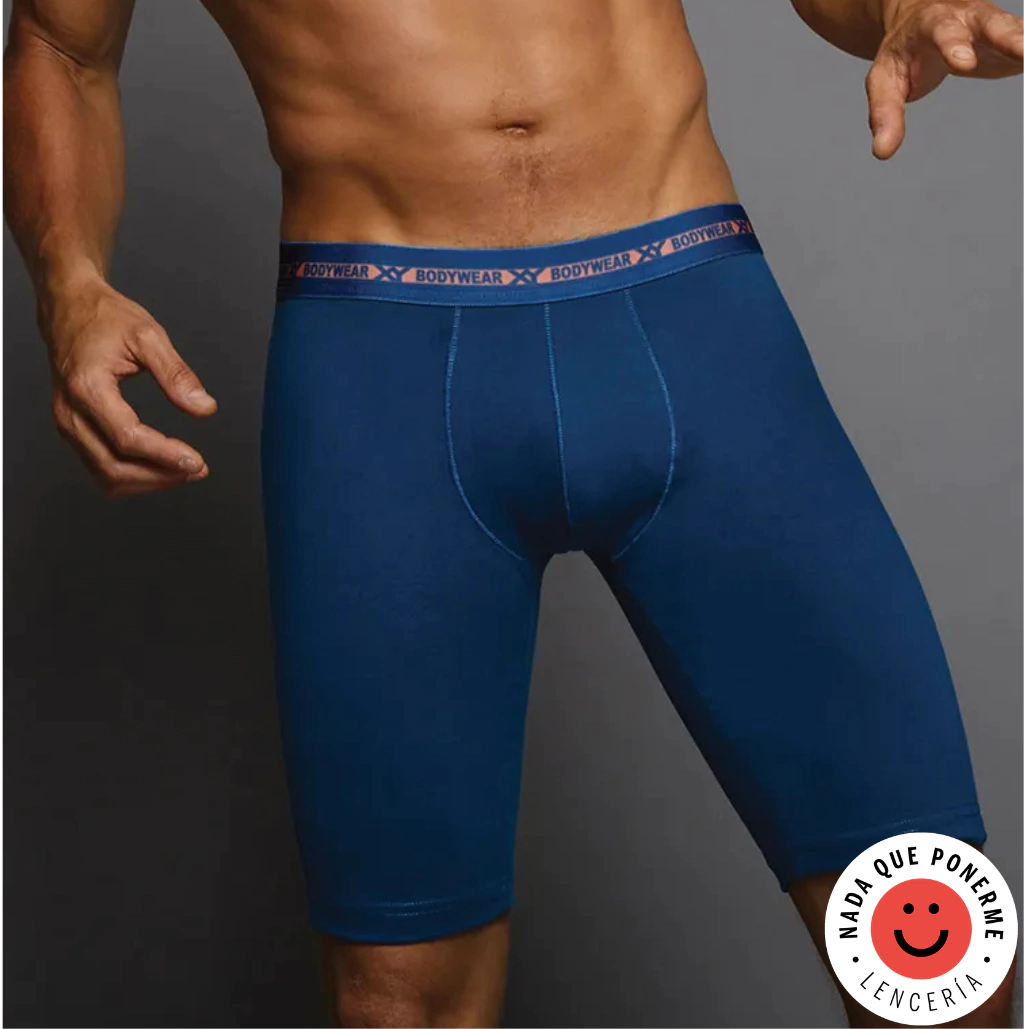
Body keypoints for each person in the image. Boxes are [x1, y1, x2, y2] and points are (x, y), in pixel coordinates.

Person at [5, 1, 1021, 1025]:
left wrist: (897, 7)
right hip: (386, 371)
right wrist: (70, 286)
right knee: (403, 1004)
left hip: (692, 320)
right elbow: (60, 46)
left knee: (938, 954)